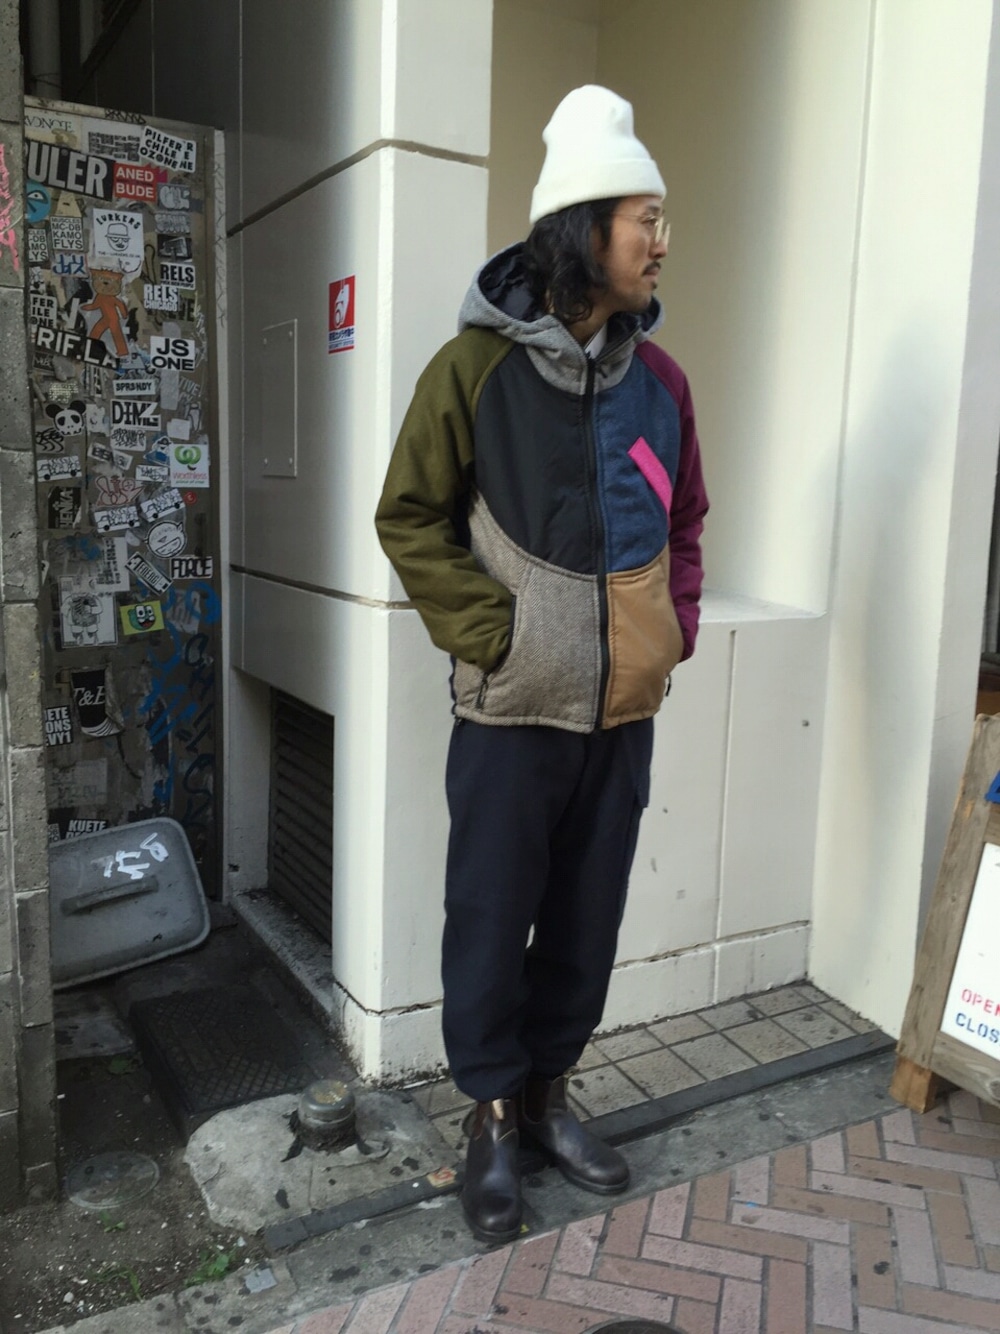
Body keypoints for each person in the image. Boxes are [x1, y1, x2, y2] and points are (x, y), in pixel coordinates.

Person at [375, 84, 708, 1244]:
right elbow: (408, 516)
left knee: (584, 919)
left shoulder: (662, 388)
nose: (661, 241)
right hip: (511, 713)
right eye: (645, 219)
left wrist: (670, 629)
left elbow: (687, 524)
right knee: (489, 916)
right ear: (582, 228)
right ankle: (489, 1118)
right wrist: (495, 632)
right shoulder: (470, 371)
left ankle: (550, 1098)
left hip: (621, 714)